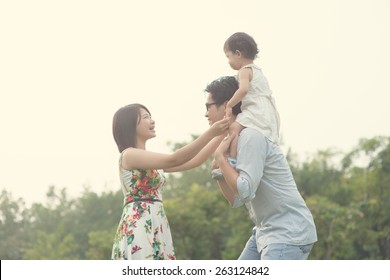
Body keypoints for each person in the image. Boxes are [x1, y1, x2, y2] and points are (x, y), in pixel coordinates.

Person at [204, 76, 317, 260]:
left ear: (226, 106)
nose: (205, 114)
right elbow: (237, 200)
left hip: (286, 233)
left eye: (208, 106)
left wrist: (221, 161)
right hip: (264, 232)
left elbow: (245, 191)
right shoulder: (235, 141)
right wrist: (219, 171)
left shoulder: (250, 137)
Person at [111, 103, 229, 260]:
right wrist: (210, 133)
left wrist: (220, 135)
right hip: (139, 223)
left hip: (156, 220)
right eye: (146, 117)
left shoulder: (149, 160)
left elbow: (194, 161)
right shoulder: (129, 155)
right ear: (130, 124)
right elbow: (175, 159)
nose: (152, 121)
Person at [216, 32, 281, 176]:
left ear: (238, 53)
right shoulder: (257, 71)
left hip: (255, 111)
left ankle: (231, 163)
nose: (228, 61)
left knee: (233, 128)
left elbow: (243, 90)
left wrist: (229, 105)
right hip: (267, 112)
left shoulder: (244, 71)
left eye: (228, 56)